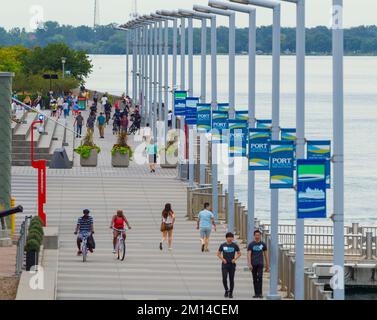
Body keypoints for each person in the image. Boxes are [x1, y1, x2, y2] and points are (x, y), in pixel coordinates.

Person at [217, 232, 241, 299]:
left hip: (232, 264)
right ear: (226, 238)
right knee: (224, 278)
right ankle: (226, 290)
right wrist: (222, 259)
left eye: (231, 237)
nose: (230, 239)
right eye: (228, 237)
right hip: (224, 264)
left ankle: (231, 292)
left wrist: (235, 259)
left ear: (233, 238)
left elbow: (239, 253)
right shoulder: (223, 245)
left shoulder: (234, 245)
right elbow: (218, 253)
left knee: (231, 279)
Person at [248, 230, 270, 299]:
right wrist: (249, 264)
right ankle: (256, 293)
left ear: (260, 236)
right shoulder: (251, 244)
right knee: (254, 279)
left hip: (260, 263)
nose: (257, 236)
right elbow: (249, 255)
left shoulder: (263, 244)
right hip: (253, 263)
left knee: (260, 278)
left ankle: (260, 293)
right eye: (256, 235)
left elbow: (266, 255)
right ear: (254, 236)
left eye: (258, 235)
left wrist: (267, 265)